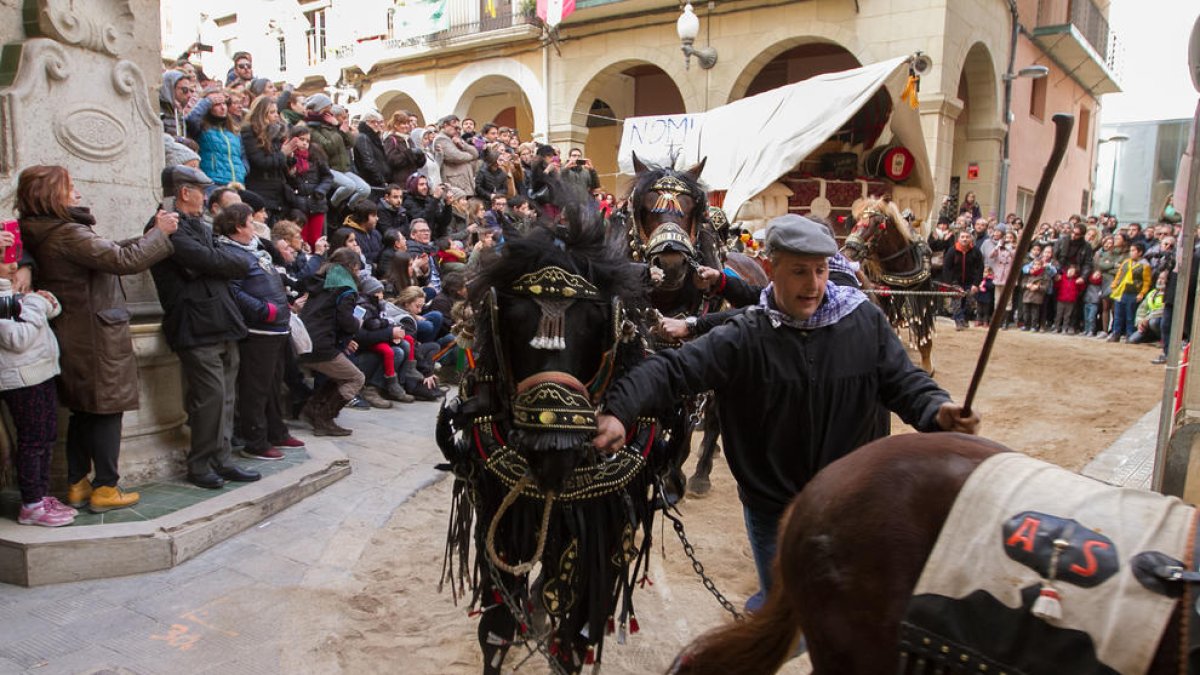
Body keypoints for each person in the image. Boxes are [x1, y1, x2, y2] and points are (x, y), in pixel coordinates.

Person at [594, 214, 979, 612]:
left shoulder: (864, 322)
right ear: (772, 269)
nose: (813, 284)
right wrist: (620, 411)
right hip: (774, 509)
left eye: (820, 270)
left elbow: (904, 381)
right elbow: (670, 370)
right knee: (788, 618)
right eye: (799, 271)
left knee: (849, 614)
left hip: (851, 502)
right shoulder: (745, 336)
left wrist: (938, 410)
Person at [18, 165, 177, 512]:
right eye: (69, 187)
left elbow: (106, 251)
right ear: (51, 195)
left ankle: (77, 483)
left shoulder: (46, 232)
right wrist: (161, 234)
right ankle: (106, 487)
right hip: (95, 333)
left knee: (84, 411)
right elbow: (124, 260)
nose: (76, 193)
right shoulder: (67, 233)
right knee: (107, 409)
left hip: (74, 331)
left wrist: (148, 234)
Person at [150, 165, 261, 489]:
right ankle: (200, 464)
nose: (205, 197)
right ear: (185, 192)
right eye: (201, 190)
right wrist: (220, 262)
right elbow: (208, 261)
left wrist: (221, 262)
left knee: (226, 398)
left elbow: (232, 261)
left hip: (221, 321)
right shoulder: (168, 225)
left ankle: (222, 459)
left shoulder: (198, 225)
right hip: (196, 325)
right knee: (210, 399)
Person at [214, 203, 301, 461]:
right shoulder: (229, 252)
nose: (254, 228)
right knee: (256, 388)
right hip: (259, 329)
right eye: (250, 223)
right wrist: (265, 310)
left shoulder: (254, 249)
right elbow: (233, 290)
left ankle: (276, 431)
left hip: (276, 329)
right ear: (238, 227)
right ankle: (256, 440)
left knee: (274, 384)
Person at [0, 274, 71, 526]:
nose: (13, 265)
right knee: (32, 441)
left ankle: (41, 496)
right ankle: (31, 504)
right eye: (4, 258)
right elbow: (17, 339)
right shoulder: (4, 299)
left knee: (46, 436)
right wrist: (36, 303)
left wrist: (41, 301)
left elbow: (53, 308)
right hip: (21, 381)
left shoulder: (20, 296)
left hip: (42, 373)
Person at [297, 248, 367, 435]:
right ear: (352, 267)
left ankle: (312, 409)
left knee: (339, 374)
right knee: (356, 377)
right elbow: (345, 320)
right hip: (321, 344)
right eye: (357, 268)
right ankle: (324, 419)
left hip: (304, 340)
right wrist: (357, 324)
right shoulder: (346, 288)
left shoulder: (321, 283)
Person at [1109, 241, 1153, 342]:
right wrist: (1115, 284)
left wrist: (1142, 293)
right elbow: (1119, 274)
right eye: (1130, 250)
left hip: (1133, 292)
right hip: (1121, 291)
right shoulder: (1126, 262)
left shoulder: (1145, 265)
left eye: (1133, 251)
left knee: (1130, 315)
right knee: (1118, 314)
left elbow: (1146, 281)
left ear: (1140, 252)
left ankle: (1130, 334)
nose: (1131, 252)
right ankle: (1116, 333)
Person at [941, 230, 983, 330]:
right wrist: (949, 284)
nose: (965, 239)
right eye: (962, 237)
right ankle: (959, 321)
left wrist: (976, 284)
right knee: (957, 303)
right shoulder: (952, 250)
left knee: (969, 302)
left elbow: (980, 268)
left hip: (970, 282)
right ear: (958, 239)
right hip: (955, 281)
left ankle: (965, 319)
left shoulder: (976, 251)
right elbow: (946, 268)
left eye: (967, 237)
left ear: (971, 238)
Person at [434, 115, 479, 195]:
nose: (458, 131)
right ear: (445, 125)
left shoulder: (455, 138)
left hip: (466, 182)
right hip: (455, 183)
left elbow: (475, 153)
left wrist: (462, 144)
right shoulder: (441, 139)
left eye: (459, 129)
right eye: (455, 128)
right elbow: (456, 156)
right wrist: (470, 156)